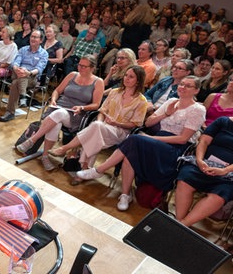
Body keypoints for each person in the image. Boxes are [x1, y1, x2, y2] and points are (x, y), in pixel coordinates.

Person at [77, 76, 206, 211]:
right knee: (131, 152)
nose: (182, 87)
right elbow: (148, 122)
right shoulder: (171, 101)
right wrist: (165, 114)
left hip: (174, 149)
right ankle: (125, 194)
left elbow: (183, 139)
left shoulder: (198, 109)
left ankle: (99, 170)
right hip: (156, 141)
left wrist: (152, 138)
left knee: (134, 139)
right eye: (182, 84)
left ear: (196, 91)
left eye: (188, 86)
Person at [48, 66, 148, 171]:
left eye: (131, 77)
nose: (126, 78)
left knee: (96, 128)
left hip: (121, 131)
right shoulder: (115, 92)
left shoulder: (141, 101)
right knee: (96, 131)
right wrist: (100, 122)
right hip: (103, 126)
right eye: (126, 75)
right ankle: (84, 169)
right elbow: (102, 111)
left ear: (138, 81)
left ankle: (65, 148)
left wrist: (116, 124)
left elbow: (135, 124)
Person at [15, 55, 104, 170]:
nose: (80, 68)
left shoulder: (98, 82)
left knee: (59, 114)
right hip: (58, 109)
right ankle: (45, 156)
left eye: (84, 66)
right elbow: (57, 90)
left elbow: (96, 104)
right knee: (56, 121)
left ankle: (32, 140)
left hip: (76, 114)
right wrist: (53, 100)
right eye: (79, 65)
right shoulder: (72, 75)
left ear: (92, 68)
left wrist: (82, 107)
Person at [175, 116, 233, 227]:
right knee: (185, 180)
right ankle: (179, 221)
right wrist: (200, 160)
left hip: (229, 173)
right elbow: (204, 141)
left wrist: (224, 170)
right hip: (204, 163)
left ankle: (181, 226)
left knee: (219, 197)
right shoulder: (223, 121)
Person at [0, 29, 48, 122]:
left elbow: (39, 68)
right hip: (17, 73)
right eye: (32, 36)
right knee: (20, 75)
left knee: (15, 83)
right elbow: (15, 62)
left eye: (35, 37)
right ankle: (23, 97)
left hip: (31, 77)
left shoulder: (44, 54)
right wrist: (17, 69)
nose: (32, 39)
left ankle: (10, 112)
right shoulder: (23, 49)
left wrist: (28, 72)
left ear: (41, 40)